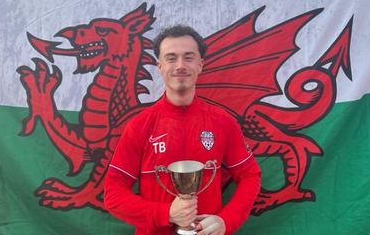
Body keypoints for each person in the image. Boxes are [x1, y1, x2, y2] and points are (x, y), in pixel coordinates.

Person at [104, 25, 261, 235]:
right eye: (171, 58)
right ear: (159, 66)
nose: (180, 66)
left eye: (188, 57)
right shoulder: (139, 126)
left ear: (200, 64)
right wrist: (165, 214)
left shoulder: (223, 122)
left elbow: (250, 175)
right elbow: (113, 194)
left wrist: (227, 220)